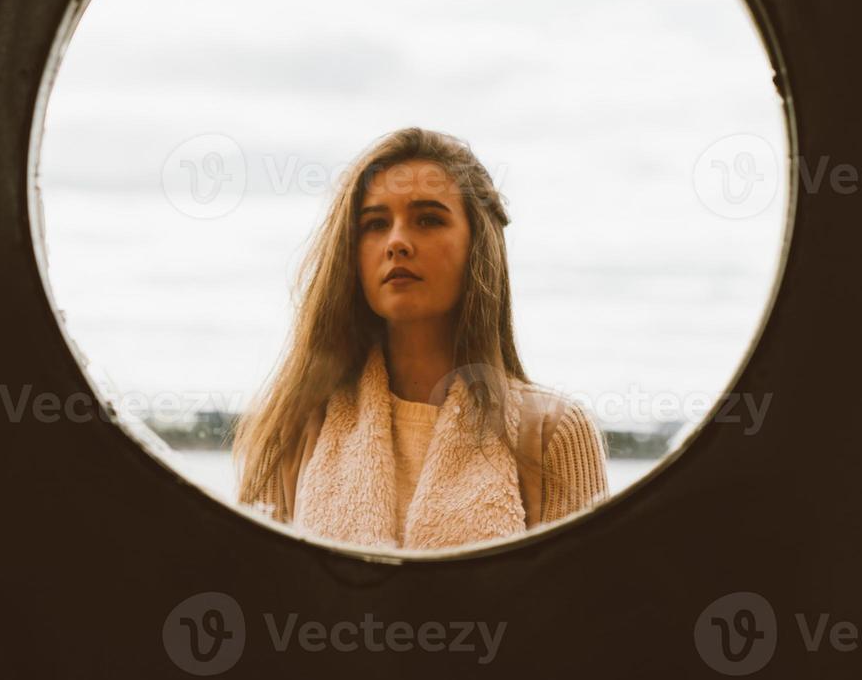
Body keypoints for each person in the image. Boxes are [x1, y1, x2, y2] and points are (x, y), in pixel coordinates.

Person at [233, 127, 607, 550]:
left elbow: (585, 609)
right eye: (375, 224)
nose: (396, 241)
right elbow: (257, 597)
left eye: (428, 219)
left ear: (478, 246)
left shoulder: (552, 433)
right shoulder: (292, 425)